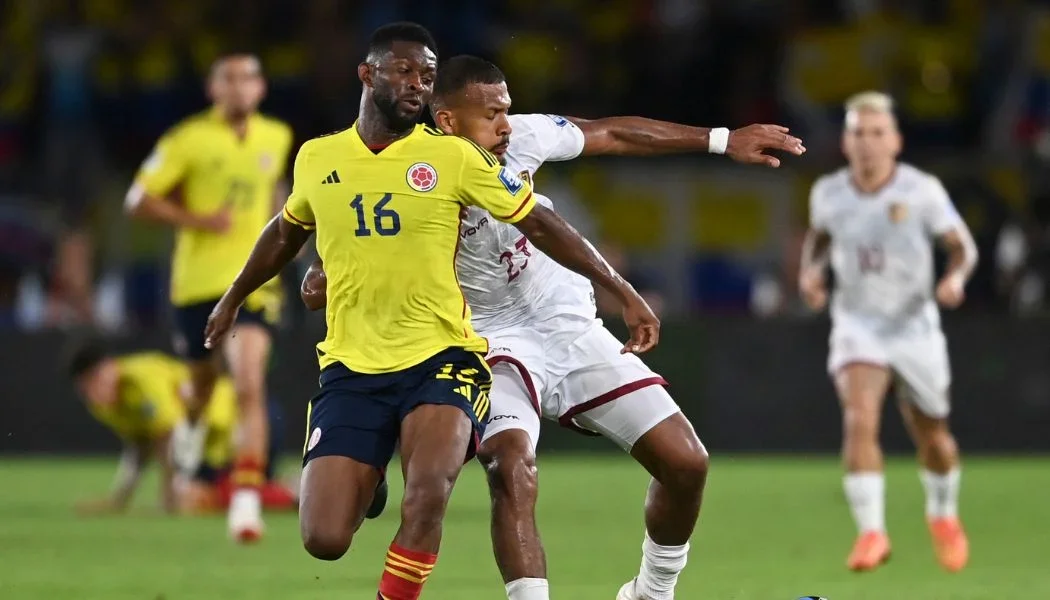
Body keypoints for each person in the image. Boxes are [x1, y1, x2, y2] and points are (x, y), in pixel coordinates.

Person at [300, 55, 805, 600]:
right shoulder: (410, 171)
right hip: (486, 340)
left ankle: (651, 592)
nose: (507, 125)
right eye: (492, 113)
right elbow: (354, 233)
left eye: (508, 110)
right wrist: (323, 271)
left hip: (567, 324)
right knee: (510, 463)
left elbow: (610, 133)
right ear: (448, 121)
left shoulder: (521, 141)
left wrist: (721, 140)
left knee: (686, 464)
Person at [203, 23, 659, 600]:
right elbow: (287, 227)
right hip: (353, 365)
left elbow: (538, 221)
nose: (418, 83)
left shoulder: (451, 157)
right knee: (324, 538)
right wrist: (234, 296)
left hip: (442, 358)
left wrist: (620, 288)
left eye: (427, 73)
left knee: (429, 493)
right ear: (367, 75)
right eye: (404, 70)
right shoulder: (318, 157)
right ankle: (367, 483)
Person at [798, 91, 977, 573]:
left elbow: (963, 248)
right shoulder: (828, 193)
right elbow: (818, 241)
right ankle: (872, 532)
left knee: (933, 437)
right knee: (859, 416)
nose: (868, 143)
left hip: (914, 327)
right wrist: (810, 275)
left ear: (895, 141)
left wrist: (954, 278)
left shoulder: (922, 190)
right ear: (845, 140)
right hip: (858, 325)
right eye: (858, 132)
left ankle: (943, 515)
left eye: (878, 133)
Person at [124, 53, 294, 541]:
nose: (241, 87)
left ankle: (245, 500)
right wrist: (197, 221)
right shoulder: (188, 139)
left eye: (249, 78)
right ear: (213, 89)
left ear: (261, 89)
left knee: (247, 383)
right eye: (230, 79)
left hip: (254, 287)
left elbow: (276, 199)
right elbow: (137, 200)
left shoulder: (277, 137)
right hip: (196, 285)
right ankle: (191, 430)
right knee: (201, 387)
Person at [65, 341, 297, 516]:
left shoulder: (143, 377)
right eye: (86, 388)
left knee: (204, 499)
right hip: (209, 448)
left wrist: (168, 497)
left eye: (96, 379)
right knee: (198, 499)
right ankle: (290, 489)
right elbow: (140, 446)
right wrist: (119, 500)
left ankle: (296, 492)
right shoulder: (103, 405)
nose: (95, 391)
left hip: (248, 423)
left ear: (110, 366)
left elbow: (169, 435)